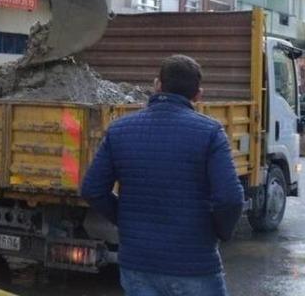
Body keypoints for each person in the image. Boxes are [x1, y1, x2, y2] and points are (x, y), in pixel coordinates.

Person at [81, 55, 244, 296]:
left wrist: (125, 220)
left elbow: (92, 189)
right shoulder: (210, 132)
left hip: (138, 265)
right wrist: (220, 232)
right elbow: (230, 198)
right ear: (198, 95)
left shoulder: (119, 130)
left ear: (157, 85)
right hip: (195, 264)